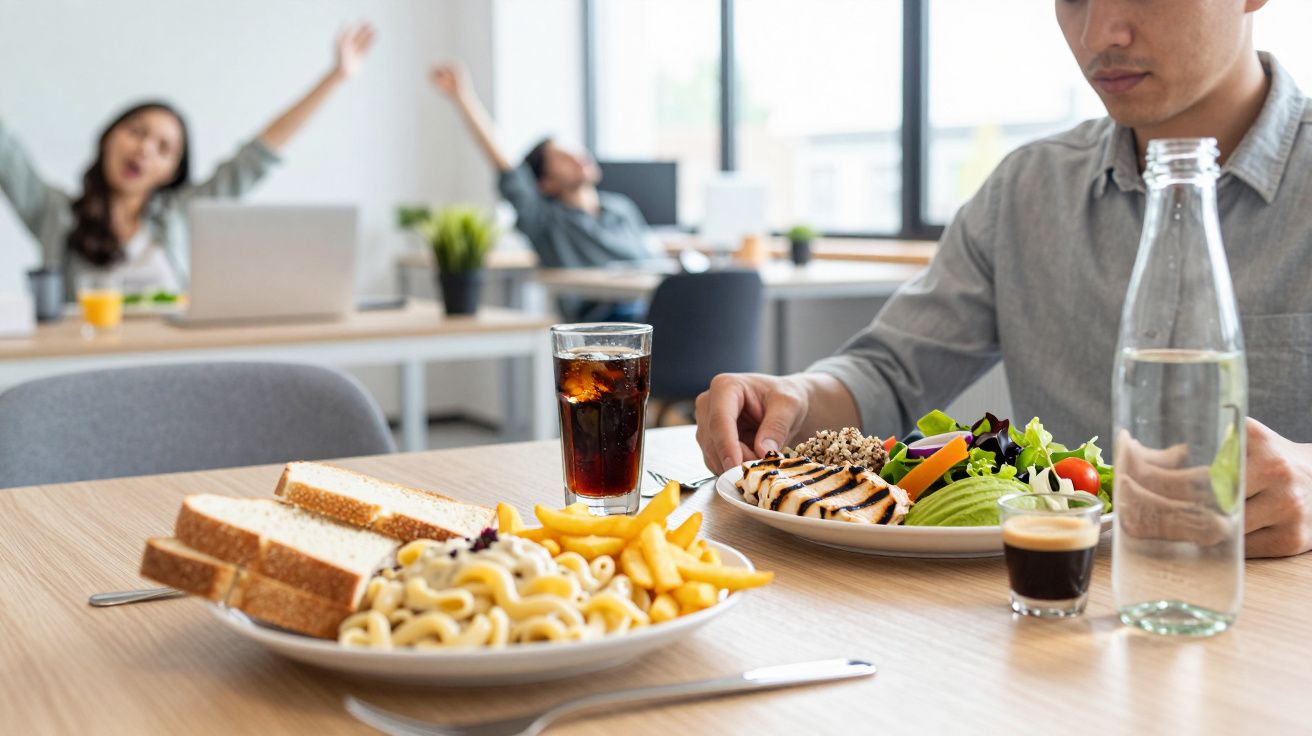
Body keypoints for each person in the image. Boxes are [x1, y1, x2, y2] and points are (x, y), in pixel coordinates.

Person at [695, 0, 1312, 558]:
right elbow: (891, 371)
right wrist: (796, 398)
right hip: (1047, 613)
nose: (1099, 33)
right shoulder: (1027, 191)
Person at [0, 23, 376, 296]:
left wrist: (336, 77)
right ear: (108, 137)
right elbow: (6, 152)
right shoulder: (54, 213)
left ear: (170, 173)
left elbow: (257, 157)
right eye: (136, 131)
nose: (145, 149)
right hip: (83, 380)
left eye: (164, 148)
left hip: (171, 377)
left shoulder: (183, 213)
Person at [430, 61, 655, 322]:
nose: (576, 157)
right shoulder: (545, 220)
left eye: (573, 150)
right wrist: (463, 97)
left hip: (653, 306)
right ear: (545, 183)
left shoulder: (620, 208)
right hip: (607, 320)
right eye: (561, 158)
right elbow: (506, 168)